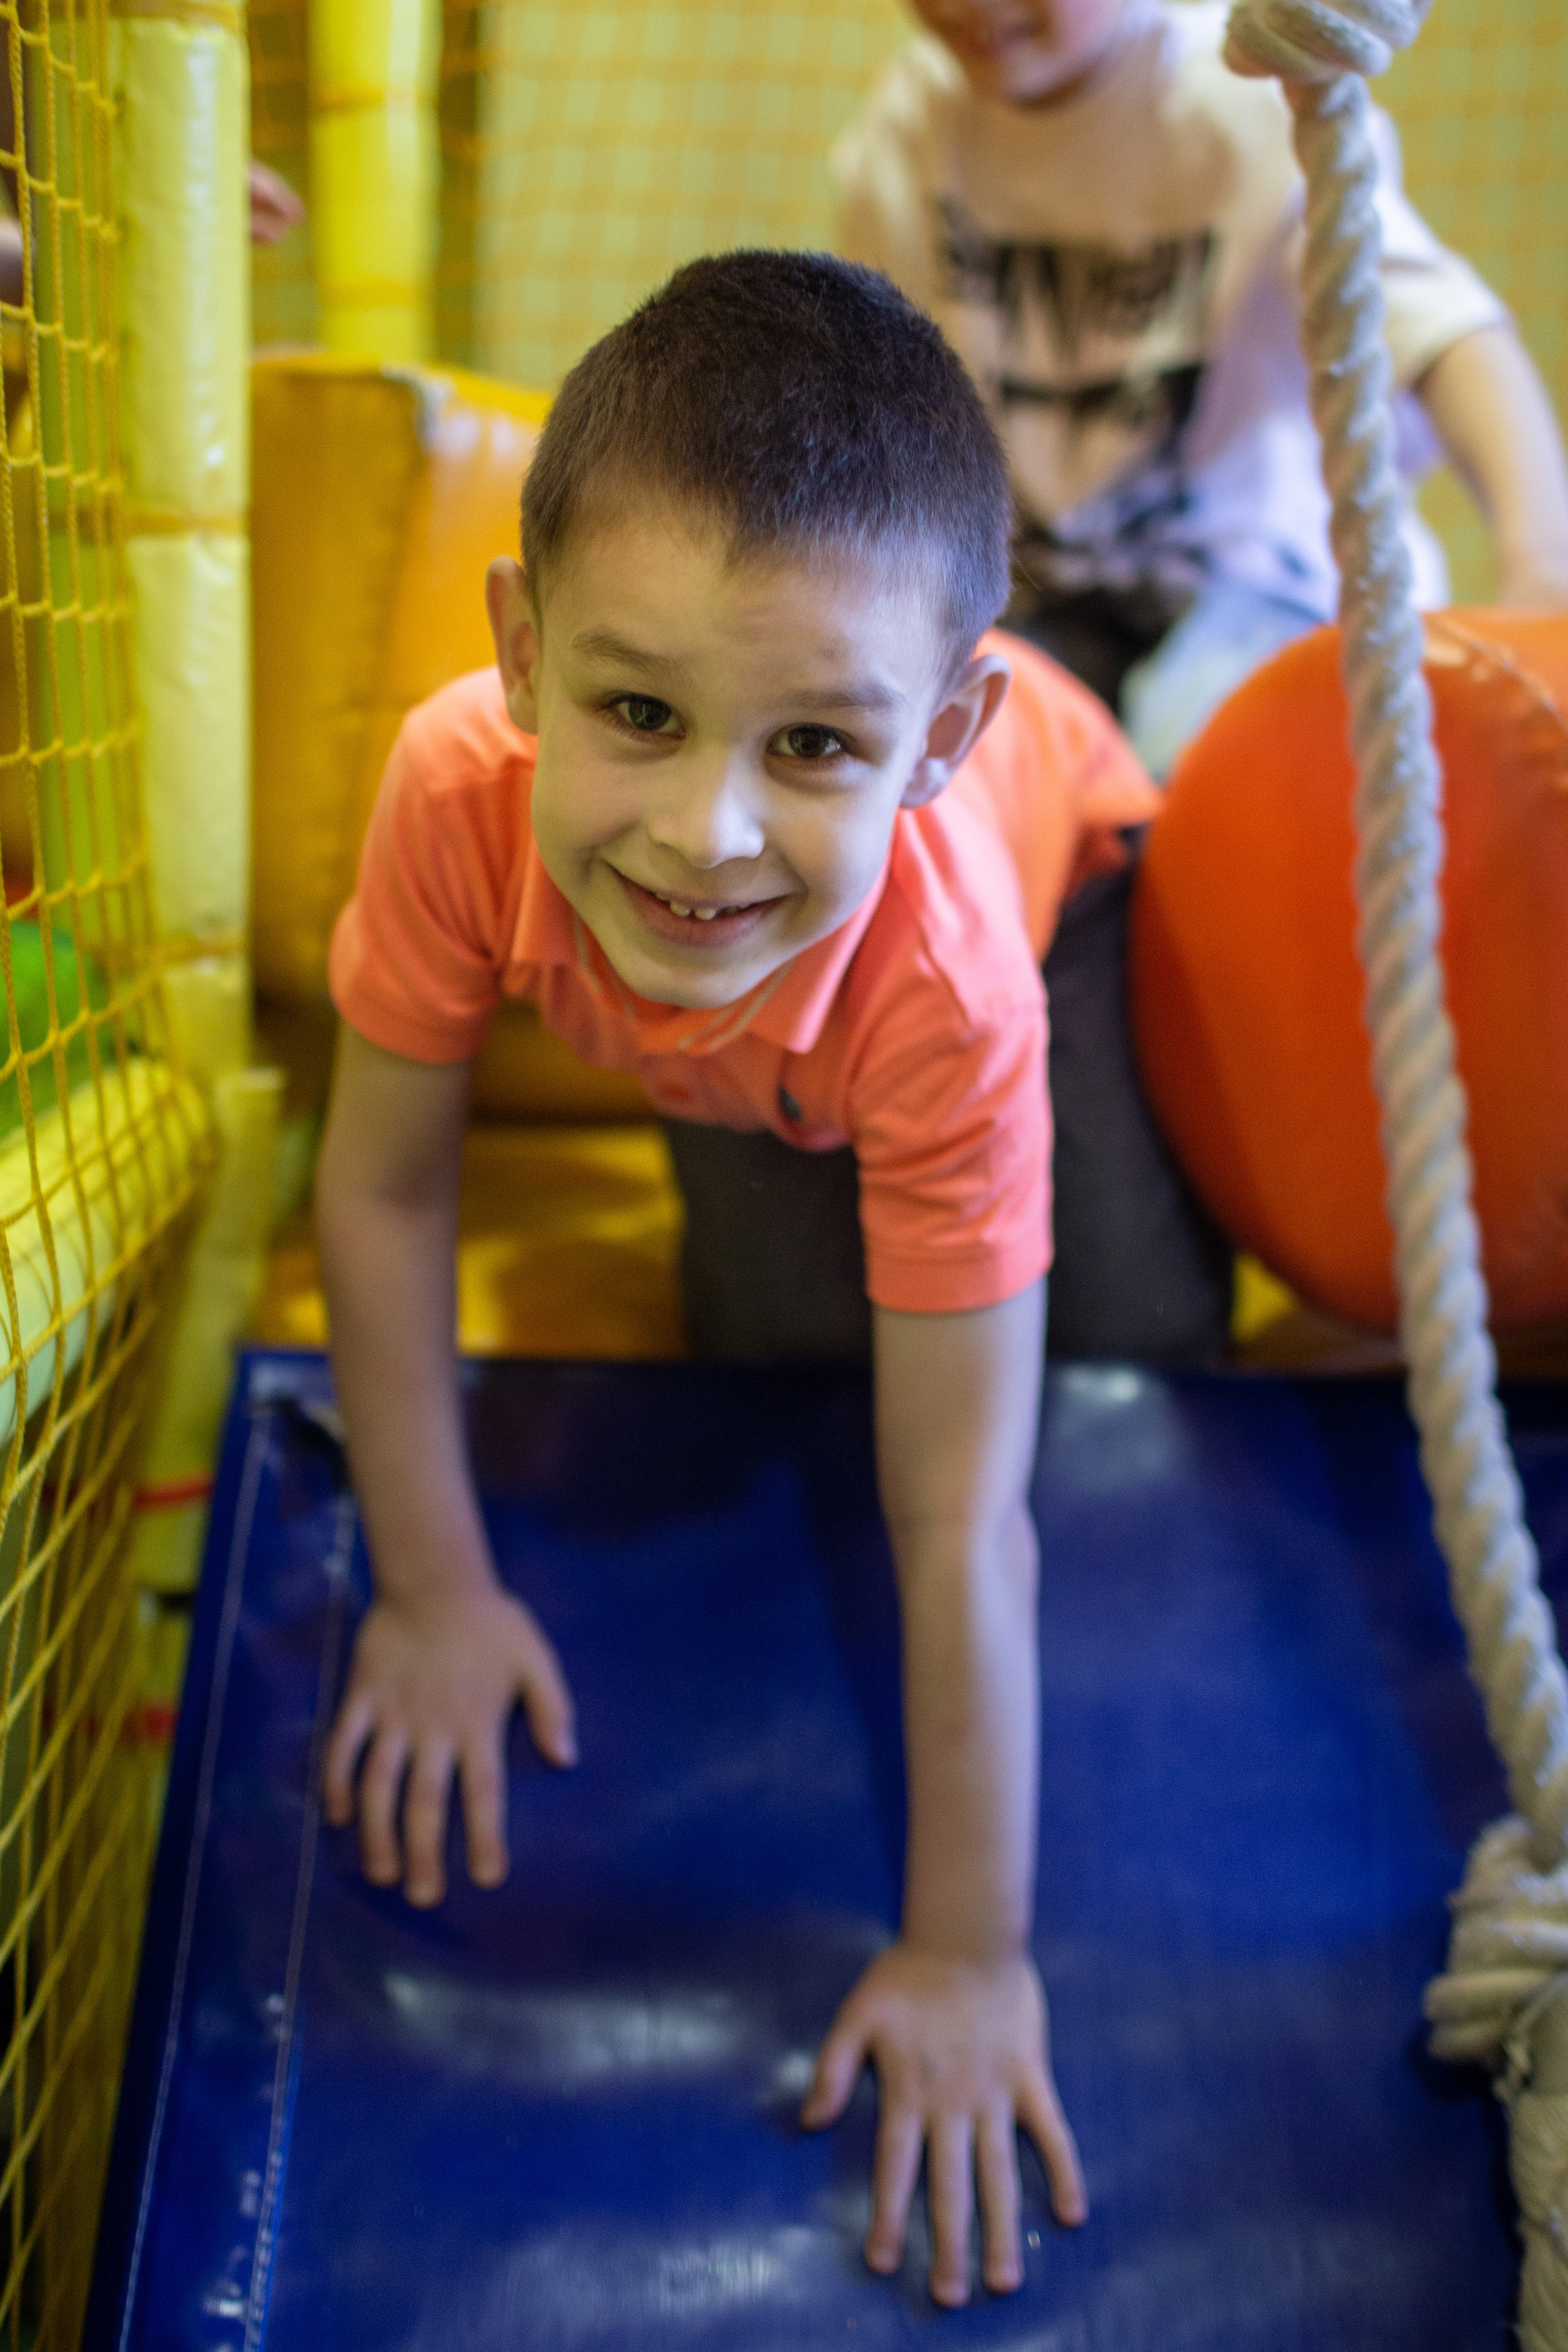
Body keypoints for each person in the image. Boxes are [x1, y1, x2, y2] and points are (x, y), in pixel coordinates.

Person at [317, 251, 1166, 2309]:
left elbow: (961, 1510)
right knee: (772, 1339)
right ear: (520, 654)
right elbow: (387, 1195)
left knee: (1139, 1358)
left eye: (810, 740)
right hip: (775, 1049)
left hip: (1061, 912)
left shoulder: (955, 992)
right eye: (637, 711)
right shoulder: (455, 792)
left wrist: (968, 1949)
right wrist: (432, 1583)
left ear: (932, 731)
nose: (704, 828)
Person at [832, 0, 1568, 1359]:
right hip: (1039, 596)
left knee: (1175, 766)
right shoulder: (902, 134)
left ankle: (1215, 1203)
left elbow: (1451, 340)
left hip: (1255, 583)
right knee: (942, 796)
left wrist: (1536, 565)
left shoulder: (1237, 104)